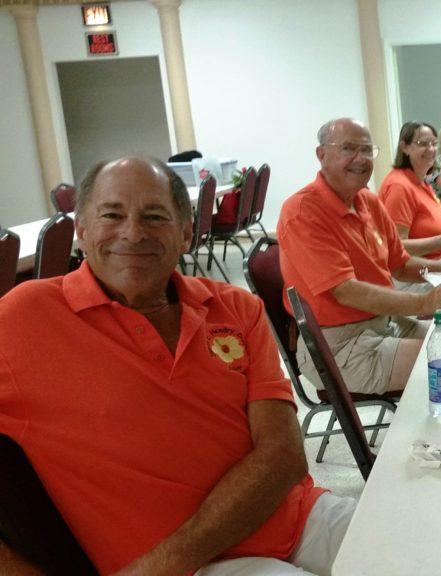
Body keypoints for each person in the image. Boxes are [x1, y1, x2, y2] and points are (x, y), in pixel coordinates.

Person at [0, 156, 355, 575]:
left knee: (423, 547)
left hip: (292, 519)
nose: (132, 233)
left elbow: (284, 455)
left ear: (186, 233)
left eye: (155, 217)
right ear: (81, 228)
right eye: (112, 215)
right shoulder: (26, 317)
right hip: (191, 569)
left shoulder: (236, 307)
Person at [278, 118, 441, 396]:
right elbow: (346, 292)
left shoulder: (368, 200)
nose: (360, 159)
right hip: (339, 347)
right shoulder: (303, 212)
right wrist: (425, 301)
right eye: (348, 149)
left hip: (384, 323)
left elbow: (400, 265)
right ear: (321, 154)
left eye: (366, 150)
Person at [379, 122, 441, 260]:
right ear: (405, 147)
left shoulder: (420, 180)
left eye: (434, 143)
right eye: (423, 144)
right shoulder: (399, 186)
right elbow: (397, 246)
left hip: (437, 264)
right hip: (415, 277)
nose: (431, 149)